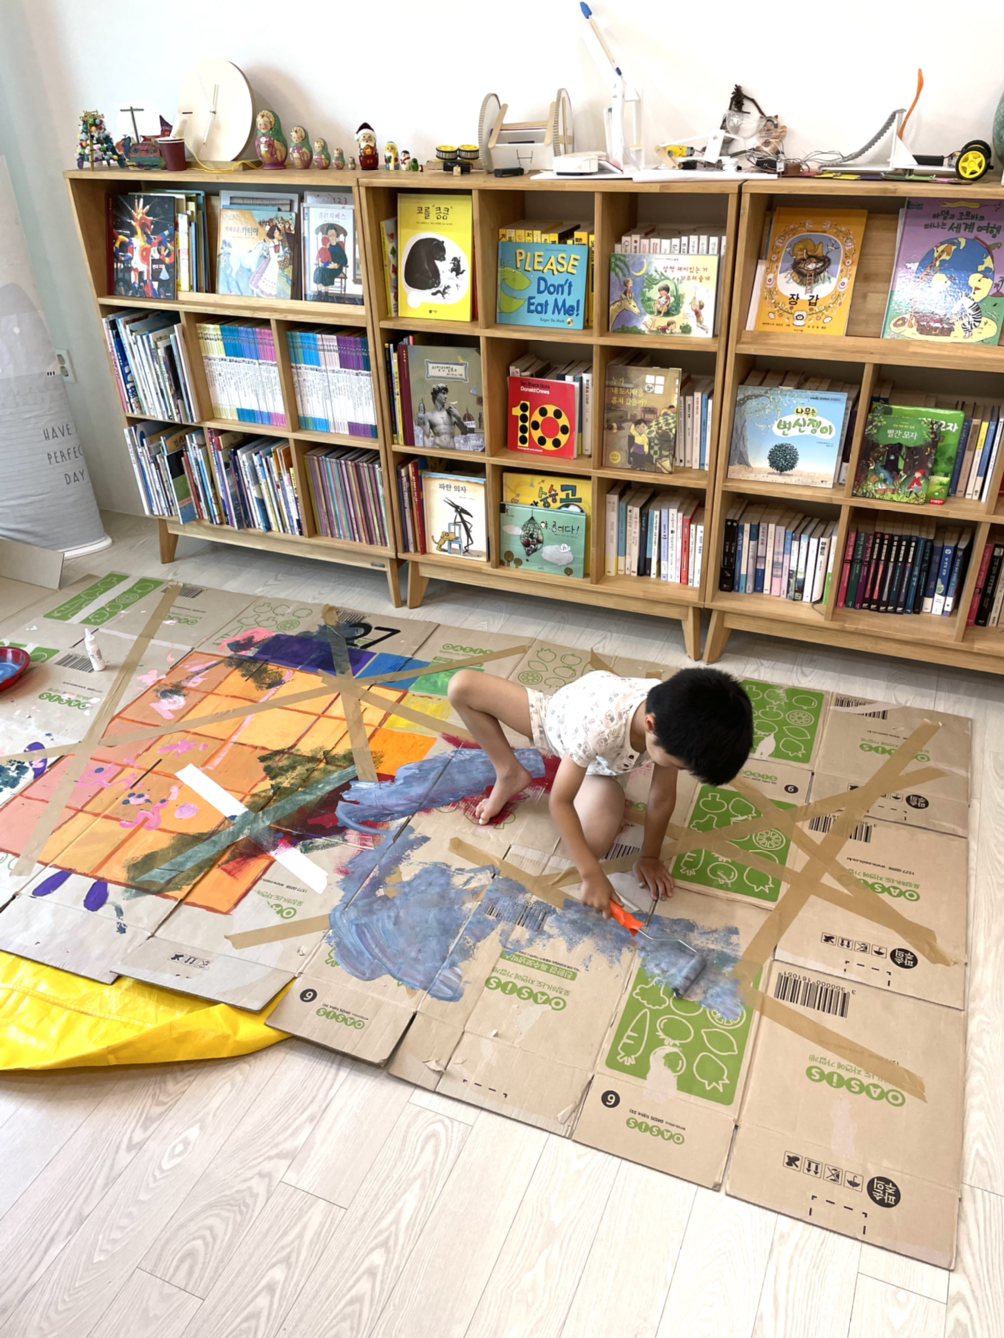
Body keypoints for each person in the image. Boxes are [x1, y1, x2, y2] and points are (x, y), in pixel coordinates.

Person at [448, 666, 753, 918]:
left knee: (589, 843)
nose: (679, 771)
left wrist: (650, 856)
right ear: (650, 725)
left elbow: (661, 798)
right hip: (556, 720)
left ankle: (607, 792)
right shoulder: (600, 728)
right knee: (461, 686)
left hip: (601, 767)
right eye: (678, 766)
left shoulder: (676, 715)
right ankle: (509, 771)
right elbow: (560, 801)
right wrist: (591, 875)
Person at [417, 383, 468, 449]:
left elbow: (465, 431)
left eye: (446, 394)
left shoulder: (452, 413)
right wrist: (428, 453)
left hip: (452, 451)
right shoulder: (429, 416)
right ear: (436, 394)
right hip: (437, 450)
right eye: (443, 393)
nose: (446, 396)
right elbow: (426, 437)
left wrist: (458, 417)